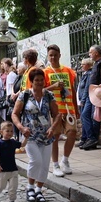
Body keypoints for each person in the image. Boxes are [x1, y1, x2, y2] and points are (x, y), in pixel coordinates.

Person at [11, 68, 62, 202]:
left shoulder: (49, 95)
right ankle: (30, 187)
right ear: (31, 82)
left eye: (41, 80)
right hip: (31, 135)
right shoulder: (24, 95)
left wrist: (53, 127)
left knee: (45, 165)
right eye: (36, 80)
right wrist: (21, 128)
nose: (39, 83)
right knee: (36, 161)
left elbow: (57, 114)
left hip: (47, 135)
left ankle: (39, 190)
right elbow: (15, 114)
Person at [43, 44, 79, 176]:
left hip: (69, 108)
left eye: (54, 55)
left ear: (59, 55)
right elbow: (41, 91)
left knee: (72, 132)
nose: (52, 57)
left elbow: (73, 90)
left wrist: (76, 107)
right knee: (55, 136)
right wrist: (54, 86)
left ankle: (65, 160)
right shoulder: (46, 72)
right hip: (54, 110)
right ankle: (55, 164)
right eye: (50, 55)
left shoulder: (68, 71)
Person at [81, 45, 101, 150]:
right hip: (91, 93)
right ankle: (91, 138)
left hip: (97, 93)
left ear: (96, 53)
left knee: (94, 117)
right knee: (85, 115)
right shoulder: (96, 64)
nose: (89, 54)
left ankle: (92, 139)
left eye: (90, 52)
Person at [0, 121, 21, 202]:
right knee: (1, 185)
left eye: (11, 131)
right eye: (7, 131)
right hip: (3, 169)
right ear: (1, 132)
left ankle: (11, 201)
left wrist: (26, 137)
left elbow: (22, 145)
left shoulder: (13, 142)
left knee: (13, 186)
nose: (9, 133)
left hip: (13, 168)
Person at [76, 58, 94, 148]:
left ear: (88, 65)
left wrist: (83, 100)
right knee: (83, 118)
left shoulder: (89, 74)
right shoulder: (85, 74)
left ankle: (91, 138)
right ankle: (84, 138)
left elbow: (87, 88)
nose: (81, 66)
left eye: (83, 64)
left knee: (85, 116)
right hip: (83, 99)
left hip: (87, 99)